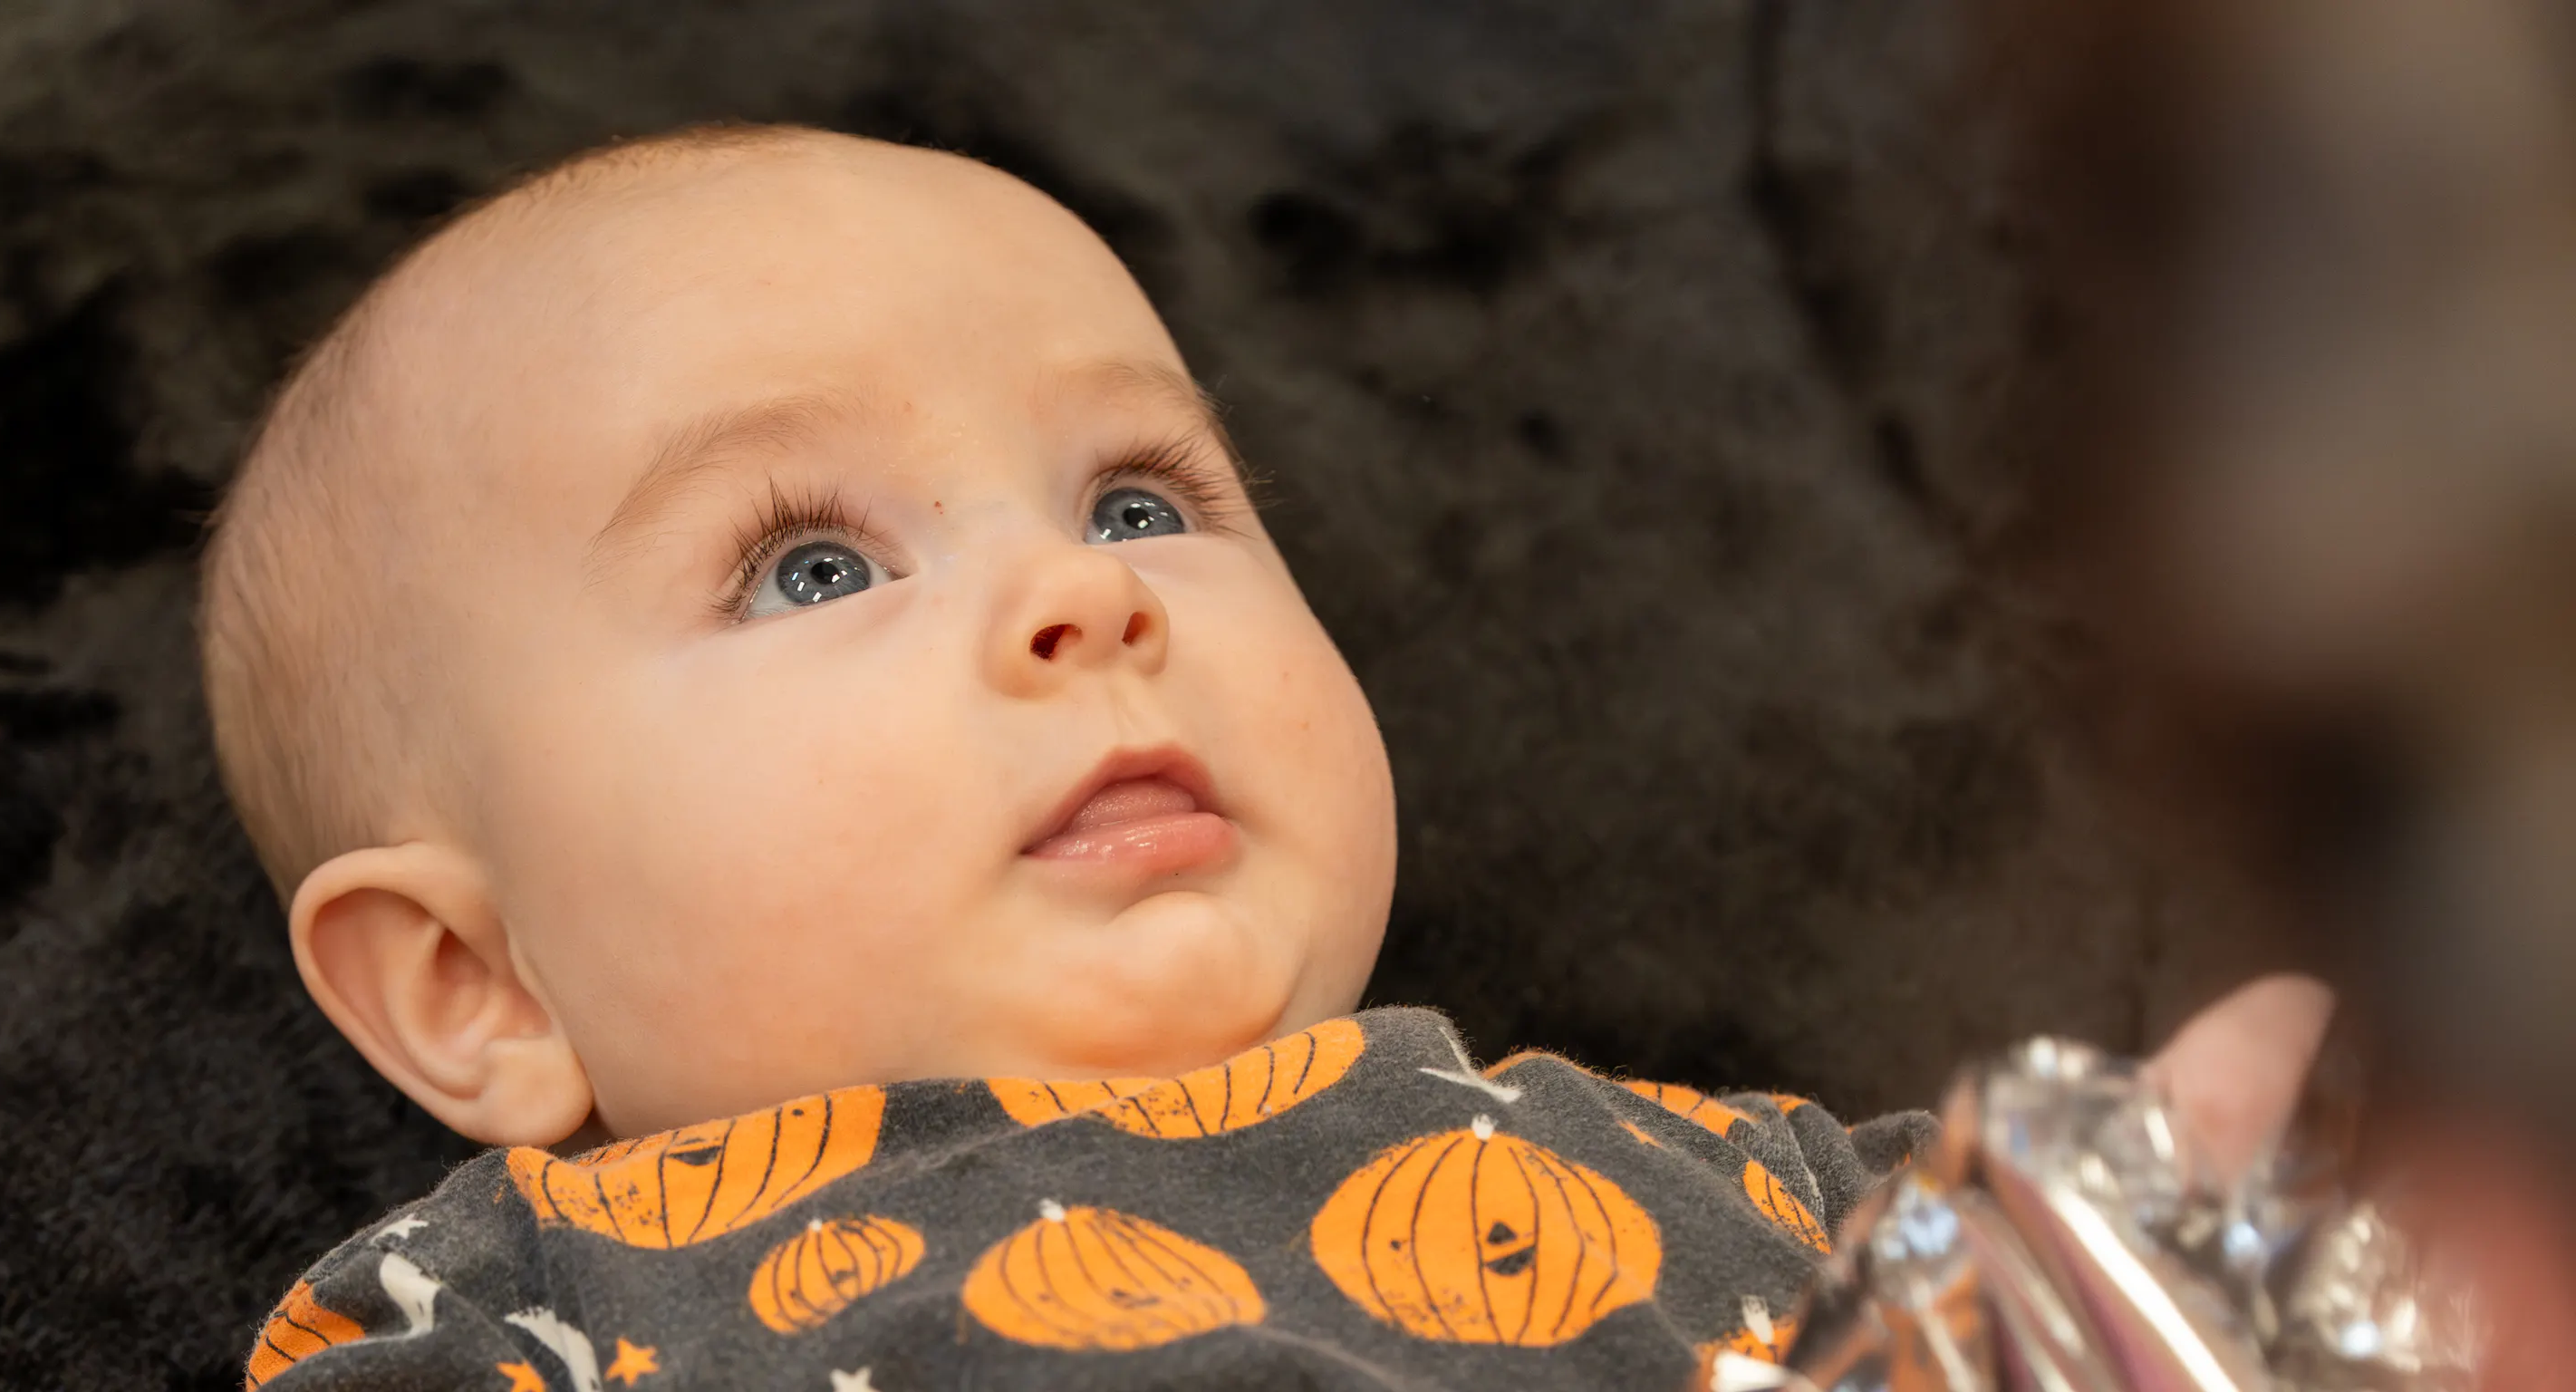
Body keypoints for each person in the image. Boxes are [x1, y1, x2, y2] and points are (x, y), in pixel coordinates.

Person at [200, 124, 2296, 1390]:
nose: (1086, 595)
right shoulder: (518, 1311)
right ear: (475, 985)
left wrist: (2181, 1221)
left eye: (1139, 502)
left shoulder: (1739, 1175)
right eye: (813, 566)